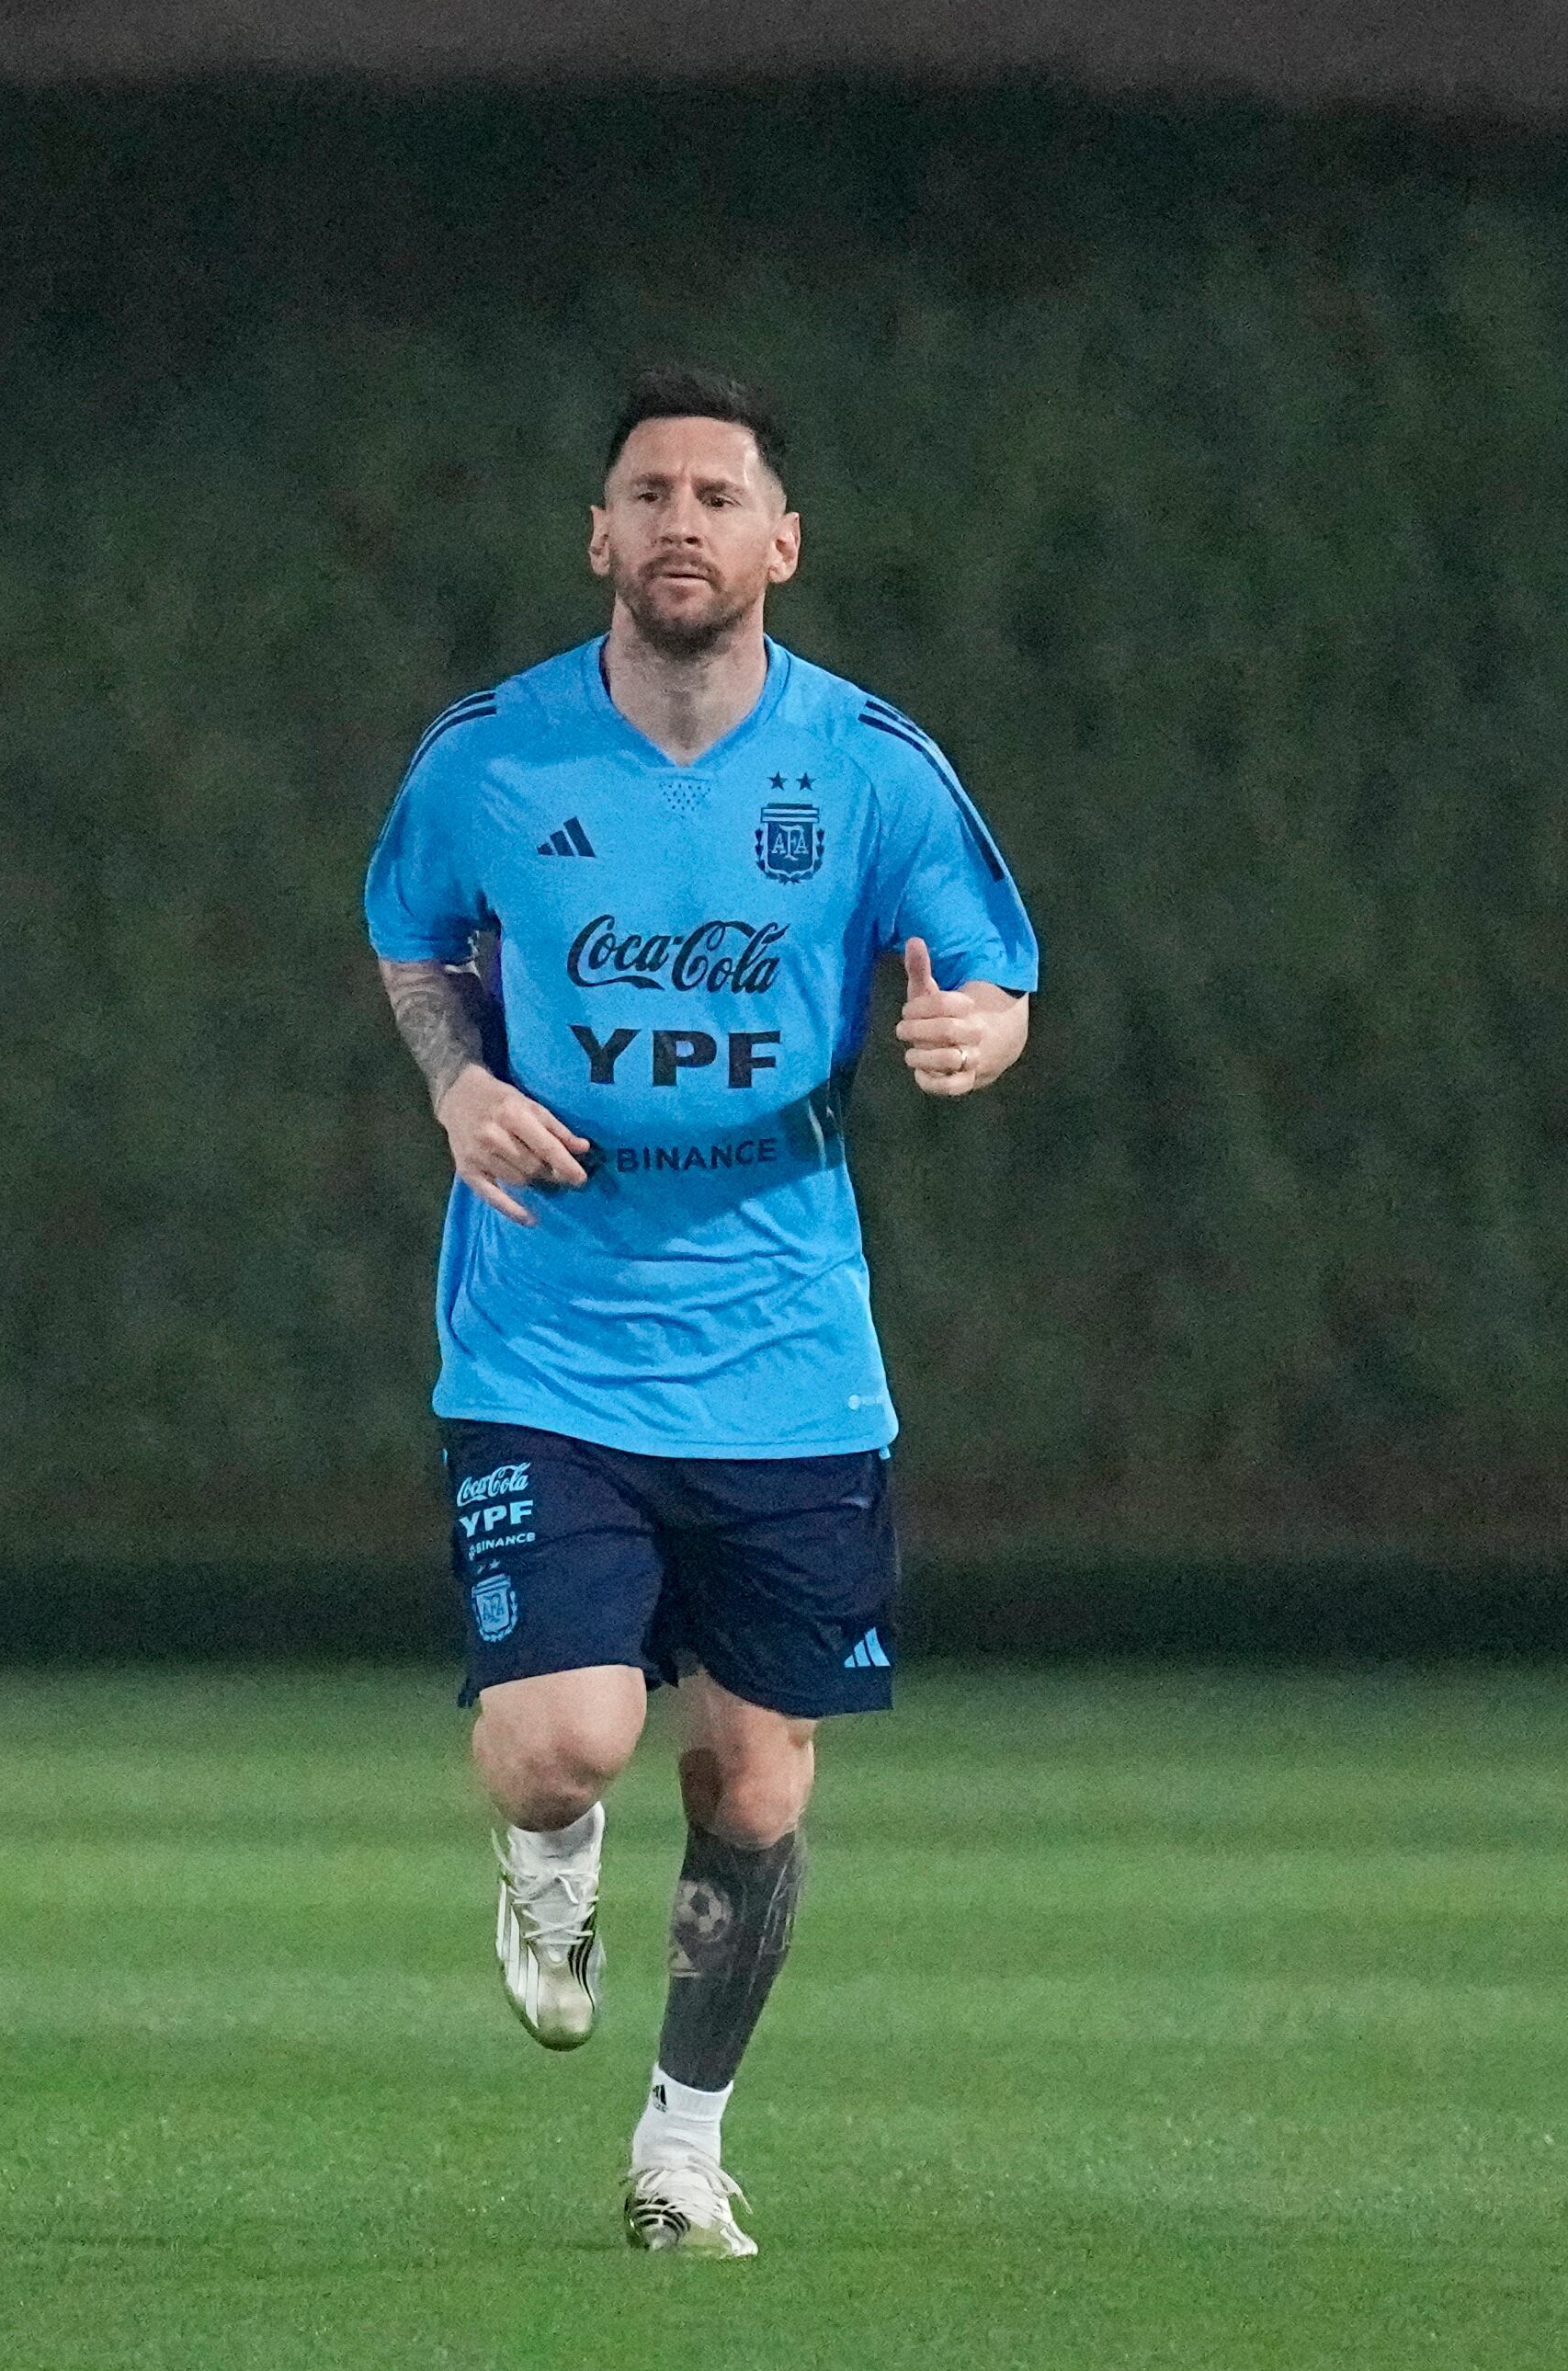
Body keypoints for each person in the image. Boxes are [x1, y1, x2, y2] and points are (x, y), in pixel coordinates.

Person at [361, 364, 1040, 2256]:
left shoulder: (871, 767)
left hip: (788, 1350)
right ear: (599, 536)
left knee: (755, 1778)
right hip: (550, 1334)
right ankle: (546, 1857)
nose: (680, 521)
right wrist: (455, 1083)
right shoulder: (492, 757)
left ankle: (682, 2145)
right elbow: (410, 937)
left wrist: (978, 1027)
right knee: (561, 1737)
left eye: (716, 494)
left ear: (780, 544)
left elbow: (993, 971)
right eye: (647, 493)